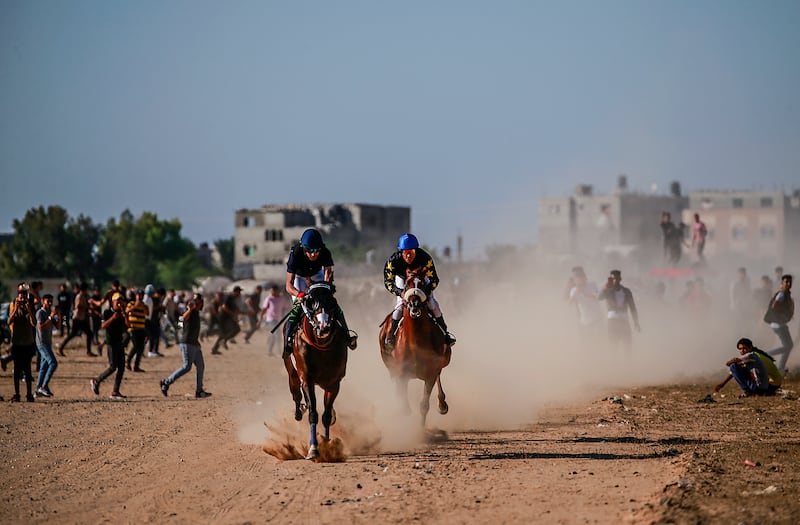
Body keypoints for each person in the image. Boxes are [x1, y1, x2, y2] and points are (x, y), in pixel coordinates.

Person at [283, 228, 357, 358]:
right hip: (299, 279)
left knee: (332, 305)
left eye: (316, 250)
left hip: (317, 275)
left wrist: (326, 289)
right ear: (304, 249)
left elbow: (327, 272)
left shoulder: (325, 252)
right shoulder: (295, 254)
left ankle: (347, 335)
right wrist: (299, 295)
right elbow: (288, 285)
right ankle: (289, 340)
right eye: (310, 251)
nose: (313, 254)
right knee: (299, 307)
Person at [382, 233, 456, 351]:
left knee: (432, 303)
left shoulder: (425, 258)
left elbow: (434, 280)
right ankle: (390, 336)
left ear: (416, 250)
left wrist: (425, 293)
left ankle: (445, 334)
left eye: (412, 251)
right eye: (406, 252)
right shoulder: (393, 262)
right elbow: (388, 283)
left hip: (421, 279)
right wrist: (400, 292)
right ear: (401, 252)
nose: (409, 255)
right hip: (402, 280)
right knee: (400, 306)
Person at [160, 293, 211, 399]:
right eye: (198, 301)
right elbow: (181, 321)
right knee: (186, 367)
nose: (200, 303)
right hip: (187, 343)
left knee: (200, 366)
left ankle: (199, 391)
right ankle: (166, 382)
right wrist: (189, 310)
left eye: (200, 301)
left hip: (194, 343)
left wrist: (197, 341)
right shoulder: (190, 312)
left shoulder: (196, 313)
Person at [91, 293, 129, 399]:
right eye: (117, 301)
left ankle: (115, 391)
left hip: (119, 342)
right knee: (113, 367)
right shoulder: (107, 312)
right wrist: (113, 318)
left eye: (121, 301)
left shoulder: (122, 314)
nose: (120, 303)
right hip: (111, 343)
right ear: (113, 302)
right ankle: (96, 380)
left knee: (121, 367)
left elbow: (128, 326)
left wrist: (125, 315)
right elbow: (103, 326)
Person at [598, 269, 641, 352]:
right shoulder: (607, 290)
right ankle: (614, 364)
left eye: (616, 278)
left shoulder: (626, 291)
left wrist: (636, 322)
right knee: (614, 347)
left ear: (620, 279)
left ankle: (628, 364)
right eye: (612, 279)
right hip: (613, 321)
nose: (614, 281)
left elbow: (632, 307)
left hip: (624, 321)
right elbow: (599, 298)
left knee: (627, 346)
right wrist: (605, 286)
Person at [8, 283, 37, 402]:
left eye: (24, 296)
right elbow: (9, 321)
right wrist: (15, 309)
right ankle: (17, 394)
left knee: (28, 370)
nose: (22, 298)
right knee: (16, 370)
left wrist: (29, 310)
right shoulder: (13, 306)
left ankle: (29, 394)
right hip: (17, 343)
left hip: (27, 343)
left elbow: (34, 323)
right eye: (20, 296)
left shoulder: (30, 306)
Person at [764, 274, 794, 372]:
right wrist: (782, 315)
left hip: (780, 324)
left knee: (788, 345)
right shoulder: (782, 294)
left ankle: (780, 367)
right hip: (778, 324)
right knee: (788, 346)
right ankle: (767, 354)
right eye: (786, 282)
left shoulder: (786, 293)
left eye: (790, 282)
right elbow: (774, 306)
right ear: (782, 283)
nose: (789, 284)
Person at [566, 266, 604, 343]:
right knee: (587, 344)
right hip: (585, 323)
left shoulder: (592, 285)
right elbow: (570, 303)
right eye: (576, 277)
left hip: (597, 320)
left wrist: (584, 293)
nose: (579, 278)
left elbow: (597, 296)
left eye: (580, 276)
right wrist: (577, 292)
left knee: (599, 343)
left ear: (584, 277)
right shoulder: (574, 290)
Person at [59, 282, 96, 357]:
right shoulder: (79, 296)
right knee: (73, 334)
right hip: (77, 319)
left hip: (82, 319)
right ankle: (61, 347)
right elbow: (78, 306)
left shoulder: (84, 296)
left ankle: (89, 351)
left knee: (89, 333)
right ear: (85, 289)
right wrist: (87, 308)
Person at [34, 294, 59, 398]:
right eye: (48, 301)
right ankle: (44, 386)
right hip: (42, 343)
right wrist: (50, 317)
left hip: (48, 342)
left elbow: (58, 326)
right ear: (43, 301)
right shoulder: (40, 313)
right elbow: (41, 327)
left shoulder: (50, 313)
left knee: (44, 367)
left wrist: (59, 315)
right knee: (53, 363)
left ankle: (38, 389)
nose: (50, 303)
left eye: (51, 301)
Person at [211, 286, 244, 354]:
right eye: (239, 292)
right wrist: (232, 314)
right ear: (236, 291)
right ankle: (224, 340)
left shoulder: (234, 299)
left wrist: (236, 316)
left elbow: (236, 310)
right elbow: (224, 307)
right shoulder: (229, 297)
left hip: (227, 318)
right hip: (223, 317)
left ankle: (215, 349)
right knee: (236, 329)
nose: (240, 293)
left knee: (223, 333)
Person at [261, 285, 290, 357]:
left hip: (279, 319)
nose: (271, 292)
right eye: (271, 291)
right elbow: (264, 309)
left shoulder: (282, 298)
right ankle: (280, 351)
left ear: (277, 291)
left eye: (273, 291)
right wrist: (260, 318)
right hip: (271, 319)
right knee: (277, 334)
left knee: (273, 336)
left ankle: (269, 351)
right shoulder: (269, 298)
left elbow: (286, 307)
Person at [125, 289, 148, 372]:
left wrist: (142, 306)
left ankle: (136, 366)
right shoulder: (131, 304)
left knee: (141, 348)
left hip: (141, 328)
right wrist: (135, 306)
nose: (140, 297)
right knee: (135, 346)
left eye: (141, 295)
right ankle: (128, 361)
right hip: (133, 328)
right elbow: (127, 311)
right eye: (138, 295)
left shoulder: (144, 305)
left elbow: (147, 313)